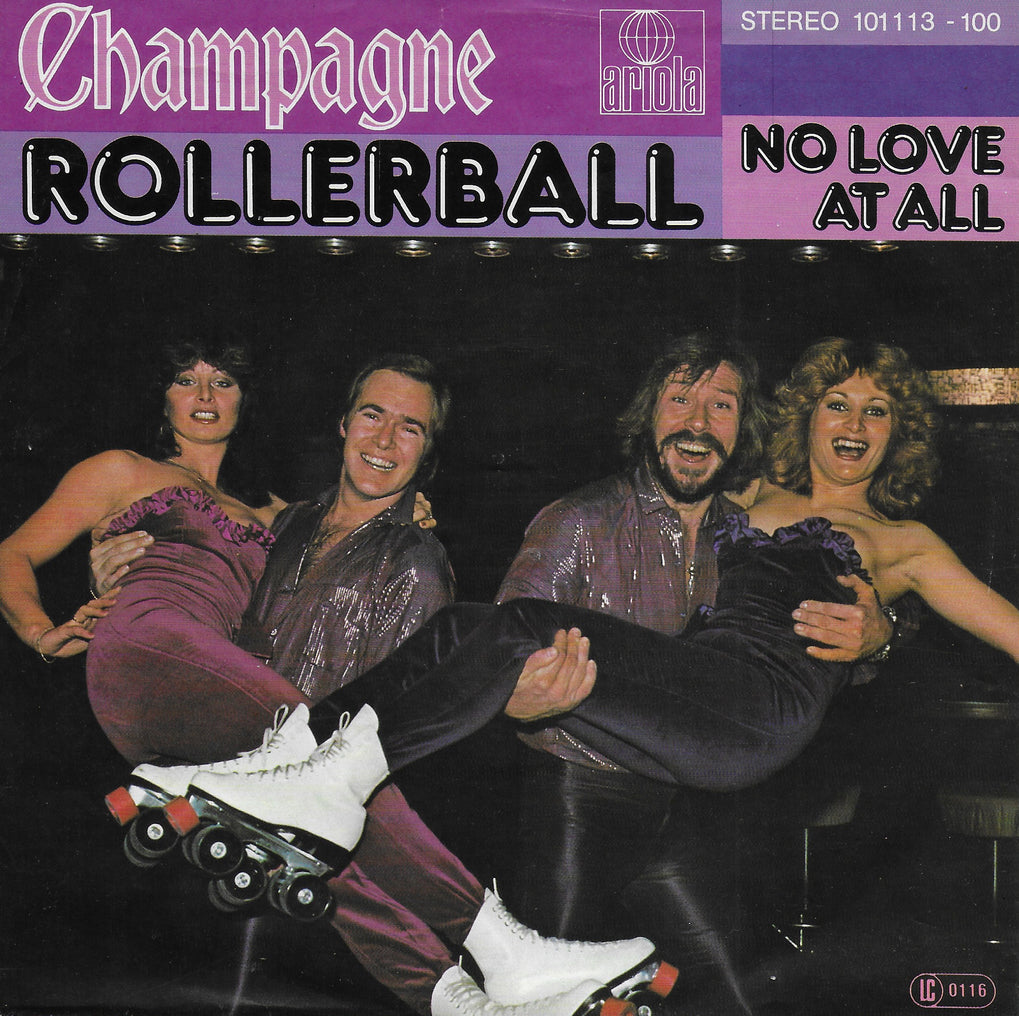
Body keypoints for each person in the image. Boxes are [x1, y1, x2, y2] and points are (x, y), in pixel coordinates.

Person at [169, 338, 1019, 966]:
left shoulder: (907, 542)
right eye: (838, 403)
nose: (854, 424)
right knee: (475, 626)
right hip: (676, 722)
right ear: (805, 416)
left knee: (516, 625)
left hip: (753, 713)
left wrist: (885, 630)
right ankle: (296, 758)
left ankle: (315, 776)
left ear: (899, 435)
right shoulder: (746, 491)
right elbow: (675, 463)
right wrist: (398, 503)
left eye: (877, 411)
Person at [5, 342, 668, 1016]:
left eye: (223, 381)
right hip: (151, 645)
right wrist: (43, 628)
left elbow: (345, 540)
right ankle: (508, 949)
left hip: (215, 702)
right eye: (185, 380)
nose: (204, 398)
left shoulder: (280, 517)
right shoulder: (123, 469)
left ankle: (459, 1000)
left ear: (245, 396)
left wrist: (406, 515)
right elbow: (13, 553)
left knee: (313, 827)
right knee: (324, 764)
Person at [493, 335, 896, 969]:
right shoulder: (581, 520)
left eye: (722, 406)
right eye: (680, 399)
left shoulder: (743, 532)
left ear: (743, 428)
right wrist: (516, 699)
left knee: (727, 992)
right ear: (649, 413)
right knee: (552, 989)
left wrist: (880, 637)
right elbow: (496, 650)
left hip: (688, 810)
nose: (699, 423)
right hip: (581, 801)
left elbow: (811, 642)